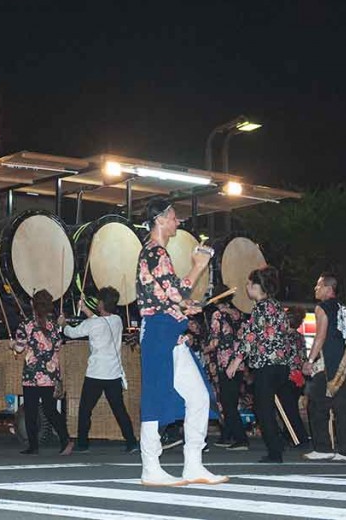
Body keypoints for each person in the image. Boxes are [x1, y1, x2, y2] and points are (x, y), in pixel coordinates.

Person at [136, 197, 225, 485]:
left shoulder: (155, 253)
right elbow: (175, 291)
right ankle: (150, 467)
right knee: (154, 398)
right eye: (173, 217)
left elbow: (168, 297)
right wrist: (199, 265)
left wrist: (187, 306)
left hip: (169, 332)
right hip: (159, 332)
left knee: (198, 396)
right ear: (160, 219)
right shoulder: (155, 252)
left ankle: (193, 465)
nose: (177, 221)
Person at [227, 265, 294, 463]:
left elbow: (250, 337)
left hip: (267, 365)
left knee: (263, 408)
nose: (247, 288)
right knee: (269, 406)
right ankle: (279, 443)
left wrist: (235, 362)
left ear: (257, 286)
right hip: (281, 364)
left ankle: (275, 451)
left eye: (249, 284)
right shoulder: (278, 306)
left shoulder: (261, 307)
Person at [62, 286, 137, 453]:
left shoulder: (92, 323)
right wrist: (87, 310)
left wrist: (63, 323)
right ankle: (131, 442)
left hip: (96, 373)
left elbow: (72, 333)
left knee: (85, 410)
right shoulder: (117, 320)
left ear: (101, 303)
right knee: (119, 410)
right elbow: (101, 321)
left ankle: (83, 444)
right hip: (113, 373)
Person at [302, 272, 346, 461]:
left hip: (328, 364)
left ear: (328, 288)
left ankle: (323, 447)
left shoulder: (322, 308)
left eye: (318, 285)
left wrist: (309, 361)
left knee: (317, 405)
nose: (315, 289)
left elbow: (320, 336)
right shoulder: (343, 309)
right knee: (343, 407)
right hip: (344, 362)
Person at [12, 289, 73, 456]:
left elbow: (19, 348)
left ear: (32, 304)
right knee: (50, 410)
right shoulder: (53, 326)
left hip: (32, 374)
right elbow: (58, 346)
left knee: (31, 410)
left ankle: (33, 446)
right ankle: (65, 439)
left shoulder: (26, 324)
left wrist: (12, 345)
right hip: (50, 373)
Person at [204, 296, 249, 451]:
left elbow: (215, 341)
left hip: (225, 362)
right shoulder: (240, 314)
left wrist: (204, 349)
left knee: (226, 402)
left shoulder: (218, 315)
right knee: (233, 400)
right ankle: (230, 435)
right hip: (239, 362)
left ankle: (241, 438)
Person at [281, 306, 309, 449]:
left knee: (289, 408)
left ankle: (300, 436)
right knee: (291, 406)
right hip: (299, 376)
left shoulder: (284, 337)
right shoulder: (300, 337)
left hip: (288, 376)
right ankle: (288, 435)